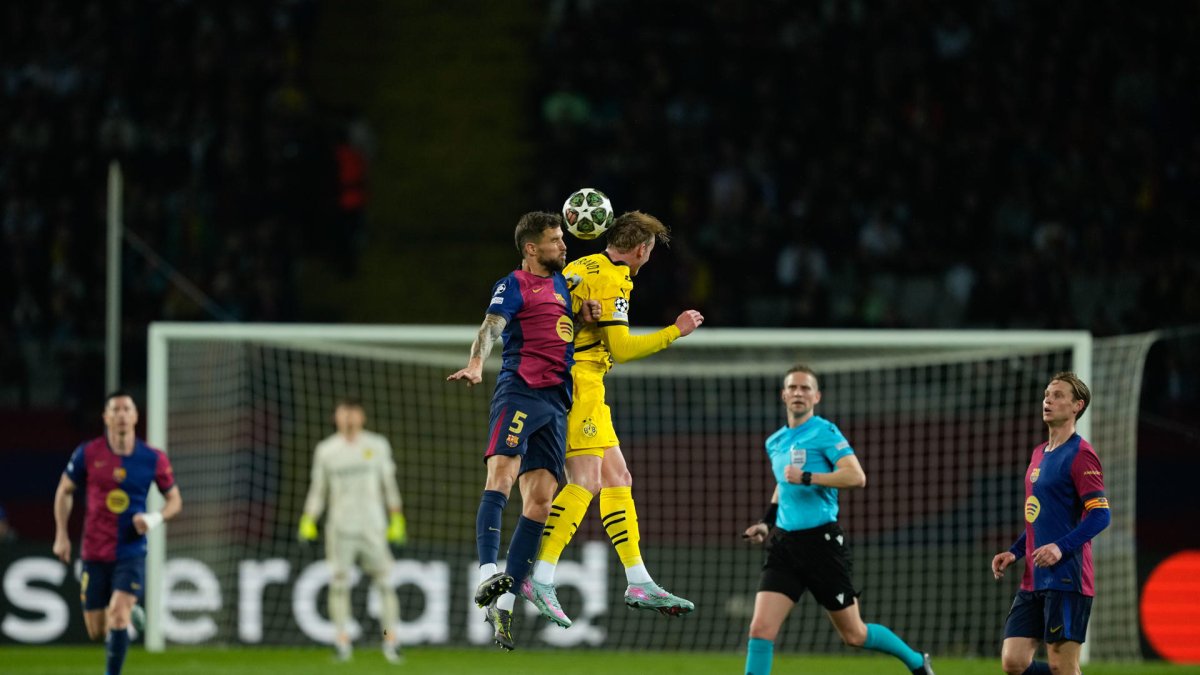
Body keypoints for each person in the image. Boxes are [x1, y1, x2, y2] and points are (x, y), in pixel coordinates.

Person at [522, 211, 704, 629]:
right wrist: (674, 331)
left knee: (618, 478)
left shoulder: (582, 264)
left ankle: (639, 581)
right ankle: (541, 576)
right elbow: (620, 349)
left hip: (581, 381)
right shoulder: (612, 280)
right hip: (577, 383)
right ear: (640, 250)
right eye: (650, 251)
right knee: (585, 481)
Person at [447, 210, 597, 651]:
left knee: (542, 501)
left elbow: (560, 328)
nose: (564, 245)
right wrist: (477, 362)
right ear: (532, 248)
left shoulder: (564, 285)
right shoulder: (513, 284)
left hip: (556, 402)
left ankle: (506, 605)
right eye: (555, 240)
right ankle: (487, 573)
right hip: (520, 390)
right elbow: (491, 327)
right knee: (502, 478)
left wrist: (584, 316)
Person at [741, 366, 934, 675]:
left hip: (822, 543)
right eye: (793, 388)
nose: (799, 393)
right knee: (760, 629)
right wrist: (766, 522)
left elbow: (856, 476)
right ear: (783, 395)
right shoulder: (774, 441)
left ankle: (916, 661)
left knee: (854, 635)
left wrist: (809, 476)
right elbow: (783, 485)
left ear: (816, 396)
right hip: (785, 545)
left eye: (805, 388)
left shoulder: (825, 432)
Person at [53, 391, 183, 675]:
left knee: (118, 615)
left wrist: (153, 519)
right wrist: (61, 534)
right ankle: (128, 611)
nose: (122, 414)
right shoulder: (88, 453)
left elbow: (175, 501)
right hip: (94, 551)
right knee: (97, 631)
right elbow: (64, 490)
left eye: (127, 409)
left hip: (130, 551)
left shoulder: (152, 458)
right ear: (106, 417)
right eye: (116, 409)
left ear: (135, 416)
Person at [991, 372, 1110, 675]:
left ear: (1077, 406)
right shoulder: (1038, 453)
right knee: (1014, 662)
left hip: (1067, 576)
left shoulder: (1082, 455)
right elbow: (1039, 519)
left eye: (1058, 395)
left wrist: (1060, 547)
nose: (1048, 400)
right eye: (1047, 394)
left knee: (1061, 666)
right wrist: (1015, 551)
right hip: (1034, 577)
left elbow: (1101, 515)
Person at [298, 398, 408, 663]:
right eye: (343, 413)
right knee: (338, 584)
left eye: (353, 413)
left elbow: (388, 484)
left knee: (385, 582)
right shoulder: (326, 450)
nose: (348, 418)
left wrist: (396, 517)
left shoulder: (377, 445)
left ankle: (391, 641)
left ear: (362, 416)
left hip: (373, 527)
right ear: (336, 417)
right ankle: (342, 643)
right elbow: (319, 489)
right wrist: (308, 518)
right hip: (340, 528)